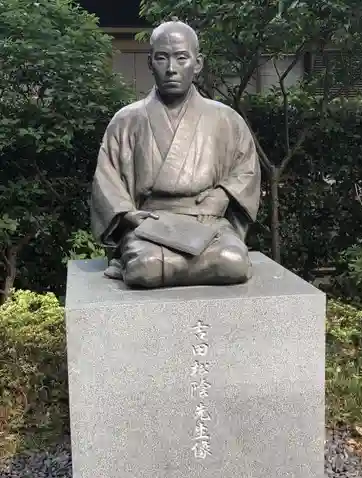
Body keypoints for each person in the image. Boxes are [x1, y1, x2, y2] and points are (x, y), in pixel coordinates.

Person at [90, 19, 261, 288]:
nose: (171, 69)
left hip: (207, 222)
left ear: (198, 63)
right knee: (143, 269)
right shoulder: (126, 120)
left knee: (232, 261)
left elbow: (246, 170)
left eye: (181, 58)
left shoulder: (226, 119)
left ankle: (161, 268)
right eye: (162, 58)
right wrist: (129, 215)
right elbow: (107, 179)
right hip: (149, 224)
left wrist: (223, 195)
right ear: (150, 62)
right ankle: (151, 264)